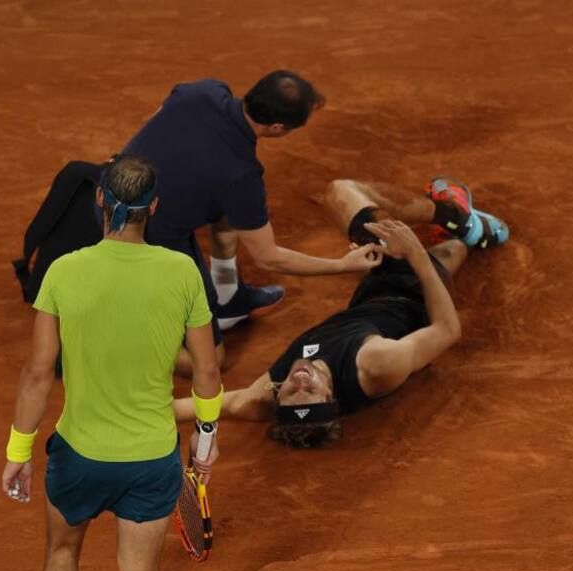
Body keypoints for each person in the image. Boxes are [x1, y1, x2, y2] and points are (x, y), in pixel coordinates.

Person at [0, 155, 225, 571]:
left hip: (76, 457)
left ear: (101, 203)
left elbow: (39, 372)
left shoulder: (65, 272)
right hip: (152, 460)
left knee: (61, 553)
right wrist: (203, 447)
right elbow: (207, 370)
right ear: (154, 208)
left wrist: (19, 451)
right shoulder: (181, 271)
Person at [173, 176, 509, 446]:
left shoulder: (262, 396)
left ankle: (467, 236)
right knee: (342, 191)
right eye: (310, 390)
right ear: (331, 393)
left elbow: (194, 407)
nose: (300, 380)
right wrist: (414, 253)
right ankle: (455, 215)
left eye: (291, 391)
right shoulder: (377, 364)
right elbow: (448, 329)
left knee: (450, 250)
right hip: (415, 293)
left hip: (368, 298)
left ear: (278, 396)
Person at [120, 70, 382, 373]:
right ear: (276, 128)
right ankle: (106, 339)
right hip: (139, 238)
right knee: (208, 361)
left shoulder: (204, 91)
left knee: (227, 212)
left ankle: (228, 296)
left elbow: (156, 119)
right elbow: (269, 258)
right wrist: (342, 265)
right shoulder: (240, 175)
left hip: (110, 188)